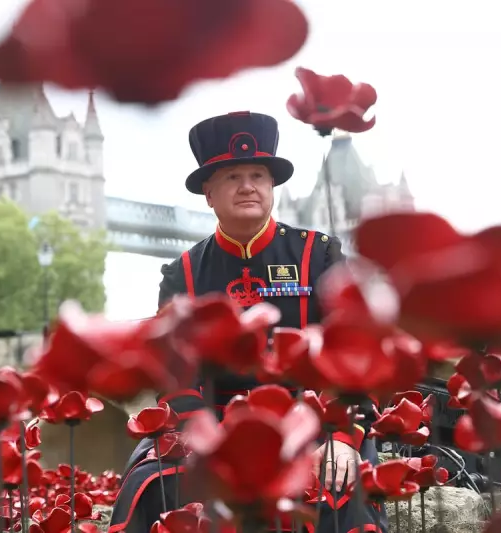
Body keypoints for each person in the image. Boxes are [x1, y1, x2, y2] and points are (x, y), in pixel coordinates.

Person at [108, 112, 387, 533]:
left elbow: (351, 353)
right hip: (215, 426)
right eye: (232, 176)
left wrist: (344, 437)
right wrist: (199, 435)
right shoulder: (182, 274)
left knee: (339, 481)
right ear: (209, 193)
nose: (247, 186)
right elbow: (174, 373)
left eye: (258, 175)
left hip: (310, 420)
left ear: (272, 187)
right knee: (151, 483)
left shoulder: (320, 256)